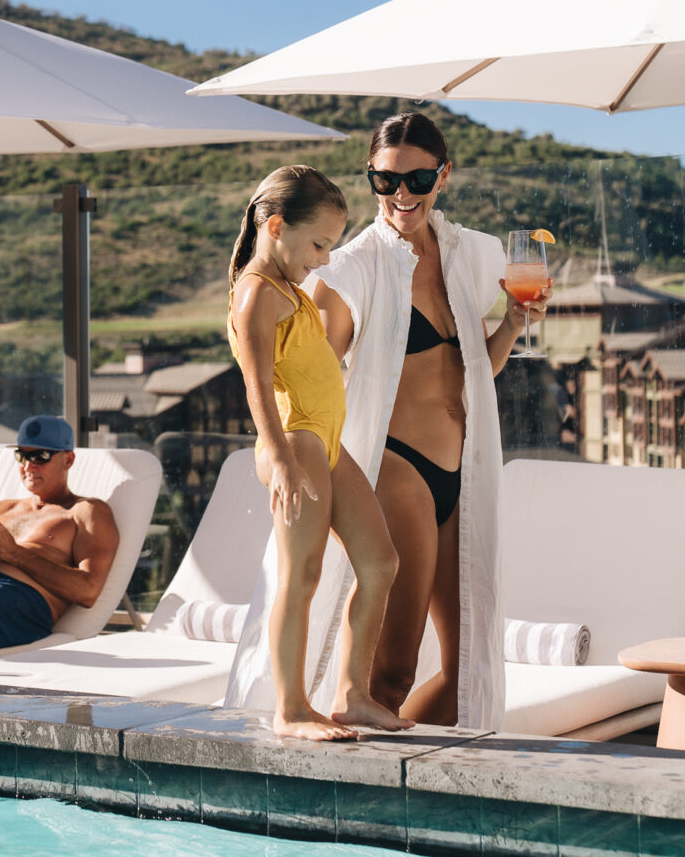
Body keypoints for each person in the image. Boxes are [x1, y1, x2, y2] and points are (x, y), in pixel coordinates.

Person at [304, 112, 547, 728]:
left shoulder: (465, 255)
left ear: (444, 175)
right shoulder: (352, 268)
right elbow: (310, 382)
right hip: (394, 468)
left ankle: (407, 789)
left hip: (460, 470)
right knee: (392, 669)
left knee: (469, 669)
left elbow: (471, 372)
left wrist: (513, 325)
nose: (402, 194)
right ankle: (354, 808)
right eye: (385, 181)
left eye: (416, 178)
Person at [225, 165, 409, 740]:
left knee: (380, 562)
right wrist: (278, 456)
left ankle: (352, 694)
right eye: (319, 244)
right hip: (295, 442)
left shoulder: (288, 290)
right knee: (300, 576)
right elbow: (256, 383)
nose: (325, 259)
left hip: (324, 443)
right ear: (275, 225)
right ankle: (291, 709)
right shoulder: (256, 291)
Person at [0, 414, 118, 651]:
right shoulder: (2, 508)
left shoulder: (86, 511)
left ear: (68, 460)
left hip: (20, 599)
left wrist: (12, 552)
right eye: (23, 456)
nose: (29, 466)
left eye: (40, 456)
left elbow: (88, 591)